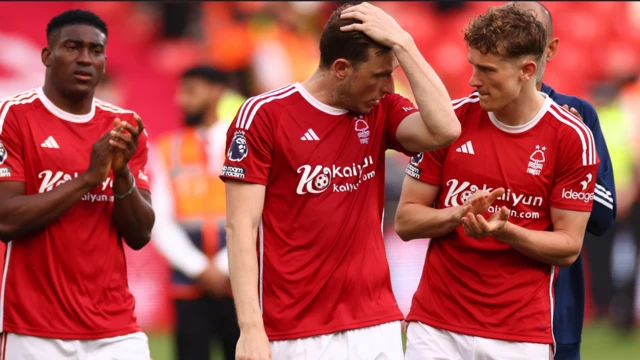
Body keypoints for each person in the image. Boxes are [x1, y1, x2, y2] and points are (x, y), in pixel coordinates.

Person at [220, 2, 461, 359]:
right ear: (341, 69)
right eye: (379, 75)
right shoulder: (264, 116)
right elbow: (241, 226)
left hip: (376, 324)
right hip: (294, 330)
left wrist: (405, 43)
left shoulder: (384, 110)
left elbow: (446, 129)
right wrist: (250, 328)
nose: (389, 86)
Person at [395, 5, 599, 359]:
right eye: (473, 65)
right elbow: (405, 221)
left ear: (527, 70)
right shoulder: (451, 123)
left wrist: (505, 232)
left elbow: (568, 246)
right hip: (436, 327)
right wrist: (459, 214)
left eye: (487, 70)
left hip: (520, 335)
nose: (474, 80)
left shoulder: (571, 137)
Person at [0, 9, 154, 360]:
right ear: (47, 55)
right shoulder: (14, 117)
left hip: (116, 330)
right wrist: (88, 179)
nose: (85, 59)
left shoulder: (125, 126)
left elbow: (140, 234)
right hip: (35, 330)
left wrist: (123, 173)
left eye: (95, 50)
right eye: (72, 47)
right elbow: (5, 219)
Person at [509, 2, 617, 359]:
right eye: (510, 31)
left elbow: (602, 217)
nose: (519, 42)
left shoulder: (578, 117)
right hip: (470, 315)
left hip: (556, 316)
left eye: (530, 33)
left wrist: (570, 155)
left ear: (550, 49)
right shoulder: (469, 113)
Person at [150, 65, 240, 360]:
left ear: (217, 92)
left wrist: (225, 266)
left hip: (241, 281)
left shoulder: (244, 143)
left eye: (190, 91)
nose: (180, 99)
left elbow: (262, 213)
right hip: (188, 282)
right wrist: (199, 268)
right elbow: (158, 221)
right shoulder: (167, 148)